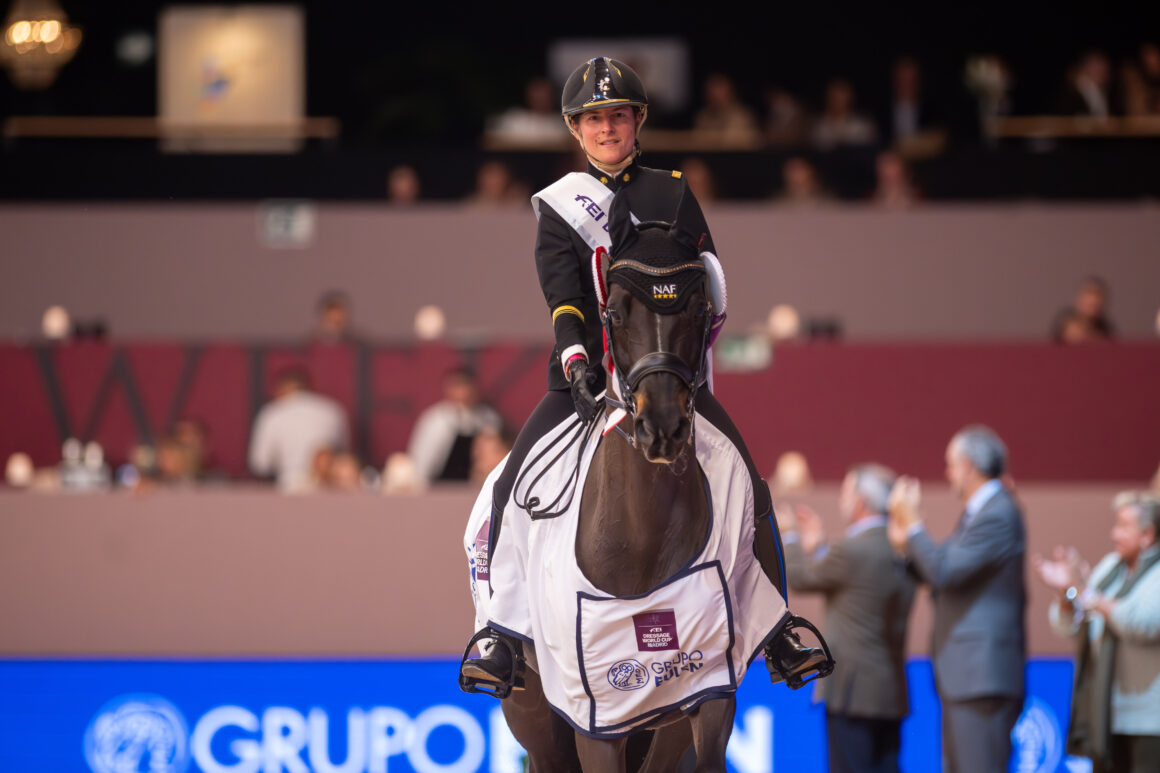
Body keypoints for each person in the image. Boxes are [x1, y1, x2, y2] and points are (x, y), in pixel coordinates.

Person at [460, 56, 829, 695]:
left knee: (750, 482)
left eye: (619, 117)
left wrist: (687, 364)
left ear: (639, 123)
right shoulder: (558, 207)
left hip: (665, 372)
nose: (608, 129)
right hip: (585, 373)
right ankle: (501, 630)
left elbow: (702, 280)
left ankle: (778, 630)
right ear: (577, 130)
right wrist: (577, 362)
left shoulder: (672, 191)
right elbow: (564, 298)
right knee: (508, 488)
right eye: (595, 119)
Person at [887, 424, 1026, 772]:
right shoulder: (978, 512)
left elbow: (945, 571)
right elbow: (940, 569)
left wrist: (914, 522)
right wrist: (905, 545)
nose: (948, 474)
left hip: (981, 676)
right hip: (967, 676)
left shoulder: (997, 512)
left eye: (951, 464)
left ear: (968, 465)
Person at [780, 464, 916, 773]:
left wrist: (789, 536)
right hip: (890, 692)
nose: (842, 498)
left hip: (851, 694)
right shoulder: (905, 549)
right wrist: (820, 550)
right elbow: (858, 585)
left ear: (859, 502)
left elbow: (800, 578)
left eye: (846, 491)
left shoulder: (850, 550)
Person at [1033, 492, 1160, 773]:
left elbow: (1141, 622)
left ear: (1148, 534)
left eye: (1124, 526)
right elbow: (1073, 622)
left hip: (1150, 721)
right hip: (1107, 714)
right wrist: (1067, 594)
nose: (1114, 534)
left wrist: (1084, 591)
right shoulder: (1111, 567)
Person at [248, 367, 350, 492]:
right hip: (330, 491)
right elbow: (345, 455)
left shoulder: (272, 413)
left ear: (282, 389)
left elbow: (260, 464)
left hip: (287, 489)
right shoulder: (333, 409)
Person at [406, 367, 504, 484]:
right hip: (439, 490)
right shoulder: (435, 421)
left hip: (477, 490)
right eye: (458, 386)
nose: (464, 392)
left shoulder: (489, 419)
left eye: (467, 386)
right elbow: (421, 465)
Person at [1052, 276, 1116, 341]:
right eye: (1089, 293)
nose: (1093, 300)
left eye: (1097, 295)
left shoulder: (1106, 331)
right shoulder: (1064, 324)